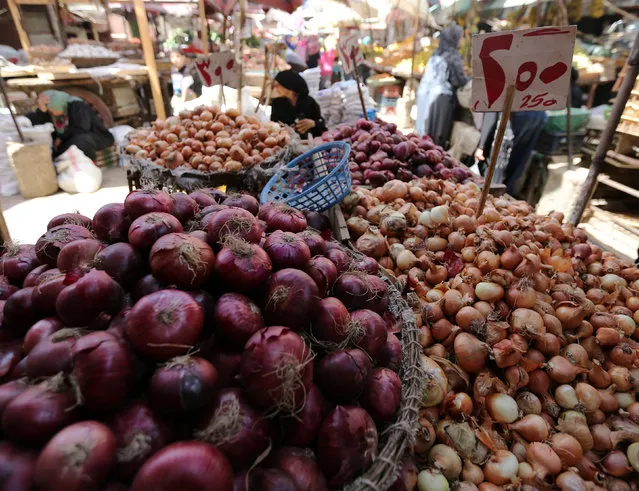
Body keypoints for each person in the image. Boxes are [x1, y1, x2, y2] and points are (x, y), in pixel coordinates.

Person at [415, 24, 470, 147]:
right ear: (454, 38)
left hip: (425, 95)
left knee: (424, 130)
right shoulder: (453, 55)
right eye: (460, 37)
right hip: (441, 99)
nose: (461, 40)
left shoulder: (436, 53)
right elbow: (459, 81)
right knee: (436, 136)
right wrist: (469, 78)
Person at [27, 90, 114, 161]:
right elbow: (42, 124)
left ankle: (91, 164)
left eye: (51, 108)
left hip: (97, 138)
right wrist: (42, 110)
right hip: (71, 139)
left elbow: (81, 128)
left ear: (57, 103)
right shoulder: (57, 114)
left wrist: (61, 138)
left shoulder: (77, 105)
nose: (51, 111)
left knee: (81, 140)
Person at [270, 70, 326, 138]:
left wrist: (313, 123)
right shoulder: (277, 103)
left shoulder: (309, 102)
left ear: (288, 85)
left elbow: (321, 123)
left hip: (309, 143)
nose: (276, 88)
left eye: (278, 85)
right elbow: (273, 124)